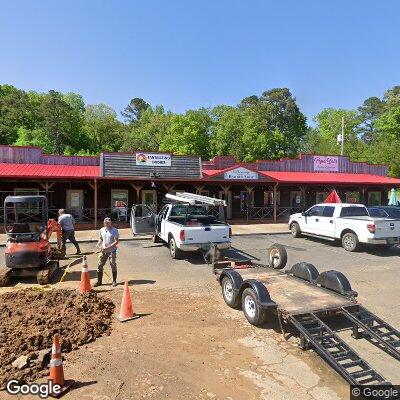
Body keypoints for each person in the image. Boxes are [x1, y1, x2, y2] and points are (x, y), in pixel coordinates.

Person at [94, 217, 119, 287]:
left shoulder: (115, 230)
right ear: (104, 223)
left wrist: (107, 248)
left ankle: (114, 281)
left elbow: (116, 242)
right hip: (103, 251)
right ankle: (99, 282)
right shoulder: (101, 230)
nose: (107, 224)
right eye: (106, 223)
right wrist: (98, 244)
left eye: (108, 222)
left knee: (113, 264)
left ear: (111, 223)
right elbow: (101, 238)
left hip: (112, 251)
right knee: (99, 265)